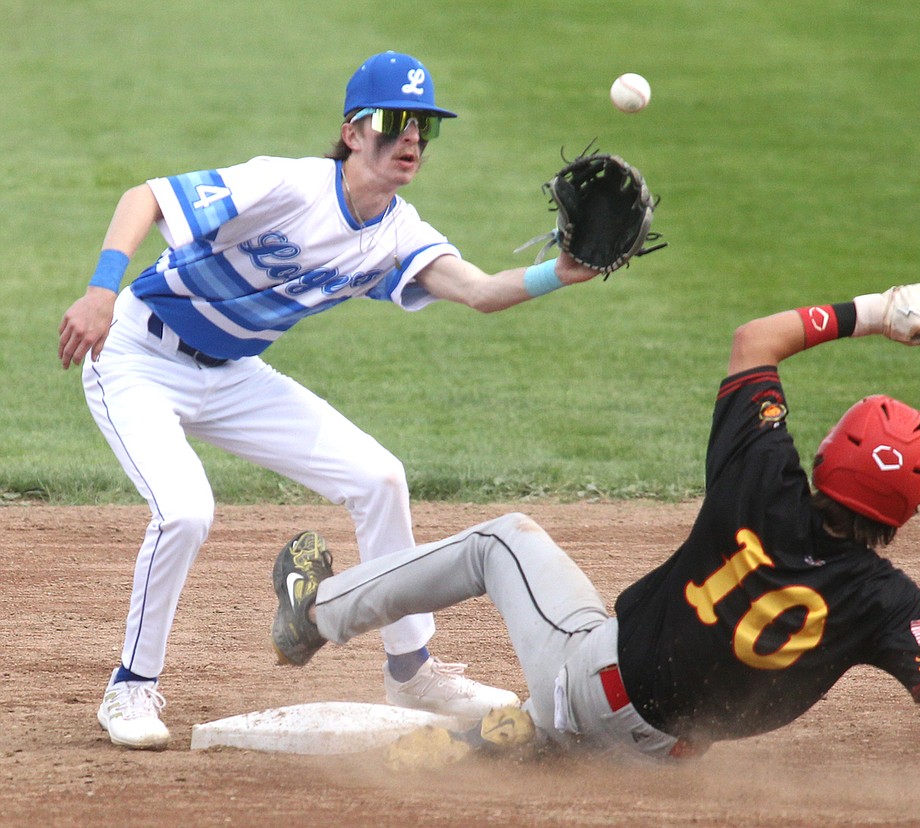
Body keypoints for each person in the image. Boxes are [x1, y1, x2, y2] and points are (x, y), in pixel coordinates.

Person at [268, 283, 920, 795]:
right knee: (626, 704)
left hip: (591, 675)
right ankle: (531, 733)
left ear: (825, 459)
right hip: (665, 757)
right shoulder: (887, 602)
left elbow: (752, 339)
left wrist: (876, 311)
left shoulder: (760, 475)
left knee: (504, 539)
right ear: (905, 513)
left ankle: (313, 617)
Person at [56, 50, 607, 750]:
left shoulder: (399, 231)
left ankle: (411, 669)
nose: (412, 138)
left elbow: (478, 291)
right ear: (353, 131)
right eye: (396, 122)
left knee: (379, 477)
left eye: (424, 128)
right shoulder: (290, 185)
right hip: (134, 355)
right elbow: (145, 197)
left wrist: (559, 272)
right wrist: (102, 290)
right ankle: (130, 688)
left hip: (231, 374)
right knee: (187, 511)